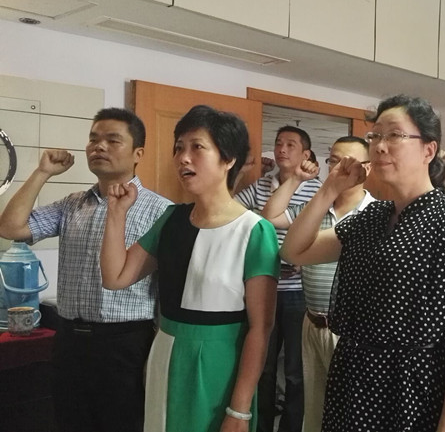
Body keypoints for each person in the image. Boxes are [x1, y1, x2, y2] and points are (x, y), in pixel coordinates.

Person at [280, 95, 445, 431]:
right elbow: (294, 251)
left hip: (413, 386)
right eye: (375, 135)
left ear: (428, 150)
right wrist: (329, 189)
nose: (379, 146)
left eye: (394, 135)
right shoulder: (372, 216)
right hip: (353, 375)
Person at [100, 105, 280, 432]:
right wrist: (116, 212)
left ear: (228, 159)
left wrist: (239, 410)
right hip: (166, 352)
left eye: (197, 147)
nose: (183, 158)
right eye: (178, 148)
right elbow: (115, 277)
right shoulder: (171, 219)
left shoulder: (254, 230)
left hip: (219, 362)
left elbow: (261, 328)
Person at [0, 108, 171, 432]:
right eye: (93, 139)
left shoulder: (161, 210)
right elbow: (10, 228)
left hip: (127, 344)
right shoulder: (73, 204)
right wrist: (42, 172)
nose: (99, 146)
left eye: (112, 140)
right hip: (70, 341)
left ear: (138, 153)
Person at [260, 136, 376, 432]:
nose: (338, 169)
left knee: (349, 409)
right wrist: (297, 179)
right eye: (333, 161)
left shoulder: (376, 213)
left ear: (367, 168)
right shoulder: (315, 207)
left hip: (352, 330)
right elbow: (271, 216)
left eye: (348, 163)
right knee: (314, 407)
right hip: (312, 322)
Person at [235, 125, 322, 432]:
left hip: (299, 290)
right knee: (262, 365)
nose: (282, 149)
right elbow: (232, 212)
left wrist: (305, 259)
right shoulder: (261, 185)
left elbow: (324, 230)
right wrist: (241, 173)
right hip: (263, 286)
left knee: (297, 370)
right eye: (278, 143)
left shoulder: (318, 189)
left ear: (306, 154)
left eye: (291, 144)